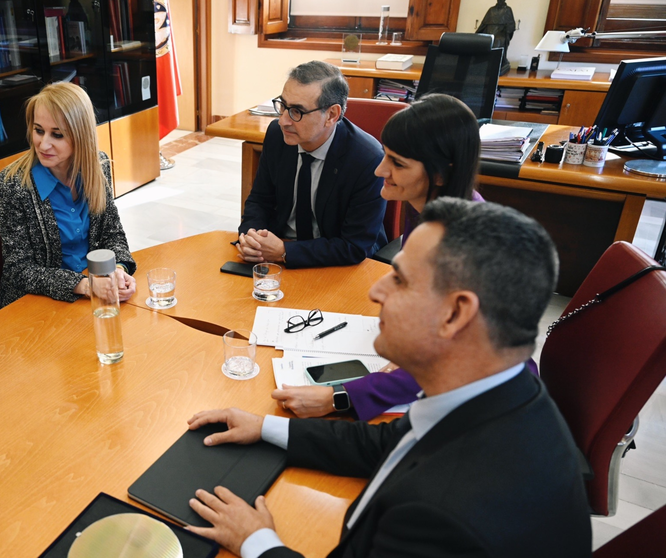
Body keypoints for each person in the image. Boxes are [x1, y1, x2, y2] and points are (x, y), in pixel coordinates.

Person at [185, 198, 591, 557]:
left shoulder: (440, 517)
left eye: (398, 278)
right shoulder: (502, 393)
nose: (376, 290)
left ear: (455, 314)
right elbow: (390, 442)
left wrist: (256, 542)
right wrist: (266, 427)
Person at [273, 94, 499, 422]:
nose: (380, 169)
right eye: (385, 156)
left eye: (398, 163)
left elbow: (450, 358)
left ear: (439, 174)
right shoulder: (427, 206)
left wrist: (338, 397)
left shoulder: (468, 243)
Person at [0, 82, 136, 307]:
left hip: (91, 291)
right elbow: (19, 270)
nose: (43, 144)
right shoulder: (13, 186)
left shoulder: (98, 167)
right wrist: (84, 285)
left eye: (57, 135)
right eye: (38, 130)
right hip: (37, 304)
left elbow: (112, 234)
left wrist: (118, 269)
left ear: (81, 136)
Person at [237, 61, 386, 268]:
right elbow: (260, 200)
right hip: (275, 256)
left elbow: (355, 246)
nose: (283, 121)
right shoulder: (277, 135)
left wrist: (285, 252)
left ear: (332, 115)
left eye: (297, 111)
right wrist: (251, 237)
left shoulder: (367, 159)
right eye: (283, 105)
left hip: (337, 265)